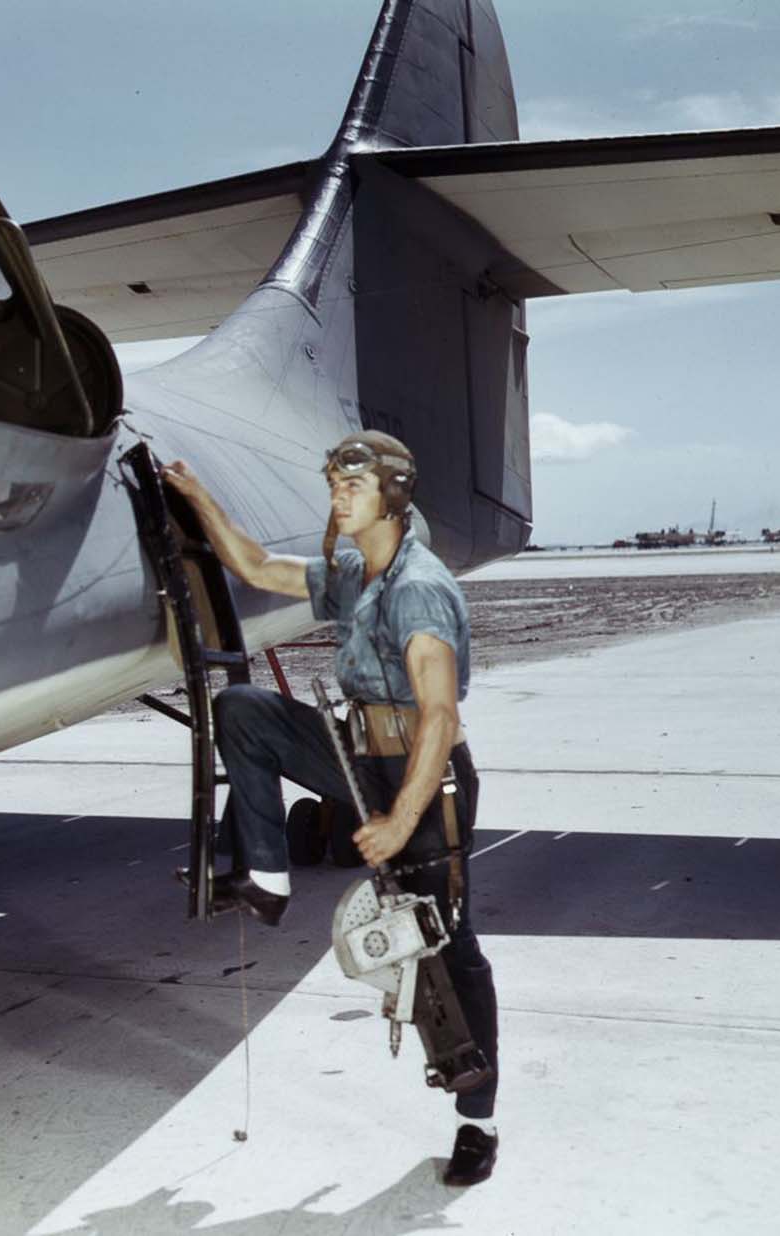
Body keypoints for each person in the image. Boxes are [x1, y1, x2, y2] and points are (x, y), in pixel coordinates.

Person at [161, 430, 500, 1188]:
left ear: (395, 495)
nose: (338, 498)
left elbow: (439, 720)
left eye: (353, 486)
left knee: (444, 947)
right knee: (244, 708)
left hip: (424, 777)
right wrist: (196, 496)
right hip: (358, 758)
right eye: (334, 487)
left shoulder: (418, 587)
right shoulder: (356, 574)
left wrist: (399, 820)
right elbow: (252, 566)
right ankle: (269, 881)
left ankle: (478, 1118)